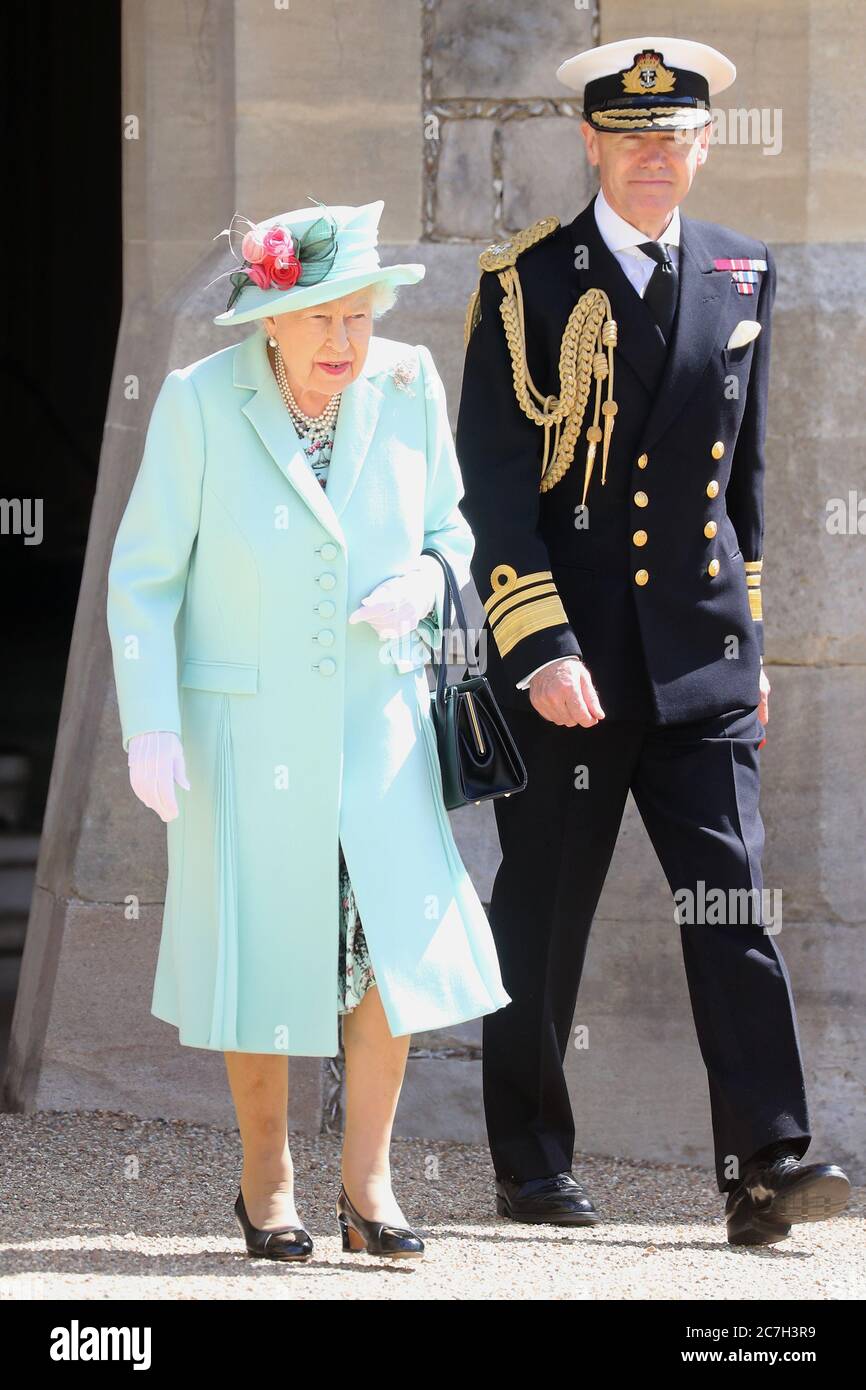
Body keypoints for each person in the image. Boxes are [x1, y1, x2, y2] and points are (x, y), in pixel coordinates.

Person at [455, 37, 850, 1246]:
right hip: (572, 665)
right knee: (544, 913)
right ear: (589, 143)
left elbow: (745, 485)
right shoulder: (526, 283)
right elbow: (498, 496)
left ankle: (765, 1161)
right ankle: (529, 1160)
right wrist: (539, 648)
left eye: (670, 141)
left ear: (700, 146)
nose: (650, 161)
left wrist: (755, 646)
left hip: (700, 659)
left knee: (731, 905)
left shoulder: (741, 269)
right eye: (628, 141)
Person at [106, 199, 510, 1262]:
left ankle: (369, 1183)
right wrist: (149, 721)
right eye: (320, 317)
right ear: (266, 321)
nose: (344, 340)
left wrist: (426, 578)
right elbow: (143, 578)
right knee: (261, 946)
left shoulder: (407, 384)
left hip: (379, 731)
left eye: (359, 315)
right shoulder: (199, 402)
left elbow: (451, 529)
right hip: (242, 733)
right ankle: (266, 1178)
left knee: (388, 954)